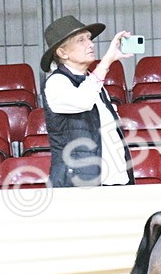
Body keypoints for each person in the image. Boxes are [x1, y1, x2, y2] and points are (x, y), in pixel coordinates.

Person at [39, 15, 135, 188]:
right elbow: (83, 101)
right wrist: (107, 61)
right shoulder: (56, 82)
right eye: (80, 40)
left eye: (89, 38)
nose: (90, 44)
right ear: (62, 52)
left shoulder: (92, 81)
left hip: (113, 182)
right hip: (78, 185)